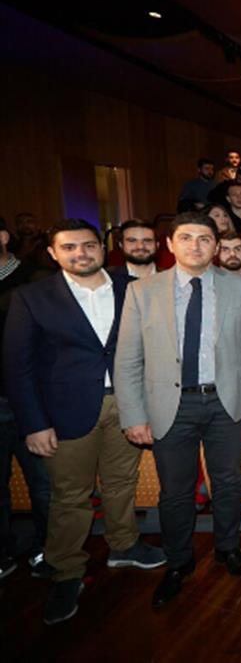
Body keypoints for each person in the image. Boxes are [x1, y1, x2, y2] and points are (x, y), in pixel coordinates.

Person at [3, 219, 167, 623]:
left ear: (102, 248)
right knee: (69, 495)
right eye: (70, 247)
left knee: (121, 482)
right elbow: (18, 367)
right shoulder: (31, 297)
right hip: (64, 413)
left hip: (126, 405)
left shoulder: (132, 287)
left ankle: (124, 545)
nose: (81, 253)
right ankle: (66, 571)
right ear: (53, 253)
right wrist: (34, 423)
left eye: (89, 245)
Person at [114, 211, 241, 608]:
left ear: (216, 246)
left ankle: (227, 548)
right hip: (170, 405)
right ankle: (178, 562)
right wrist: (133, 415)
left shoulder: (240, 287)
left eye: (204, 239)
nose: (195, 246)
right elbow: (128, 359)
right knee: (176, 491)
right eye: (186, 237)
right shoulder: (142, 292)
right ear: (170, 244)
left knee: (228, 482)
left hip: (225, 401)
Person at [0, 216, 50, 582]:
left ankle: (46, 549)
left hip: (32, 401)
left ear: (3, 237)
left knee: (45, 485)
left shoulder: (37, 280)